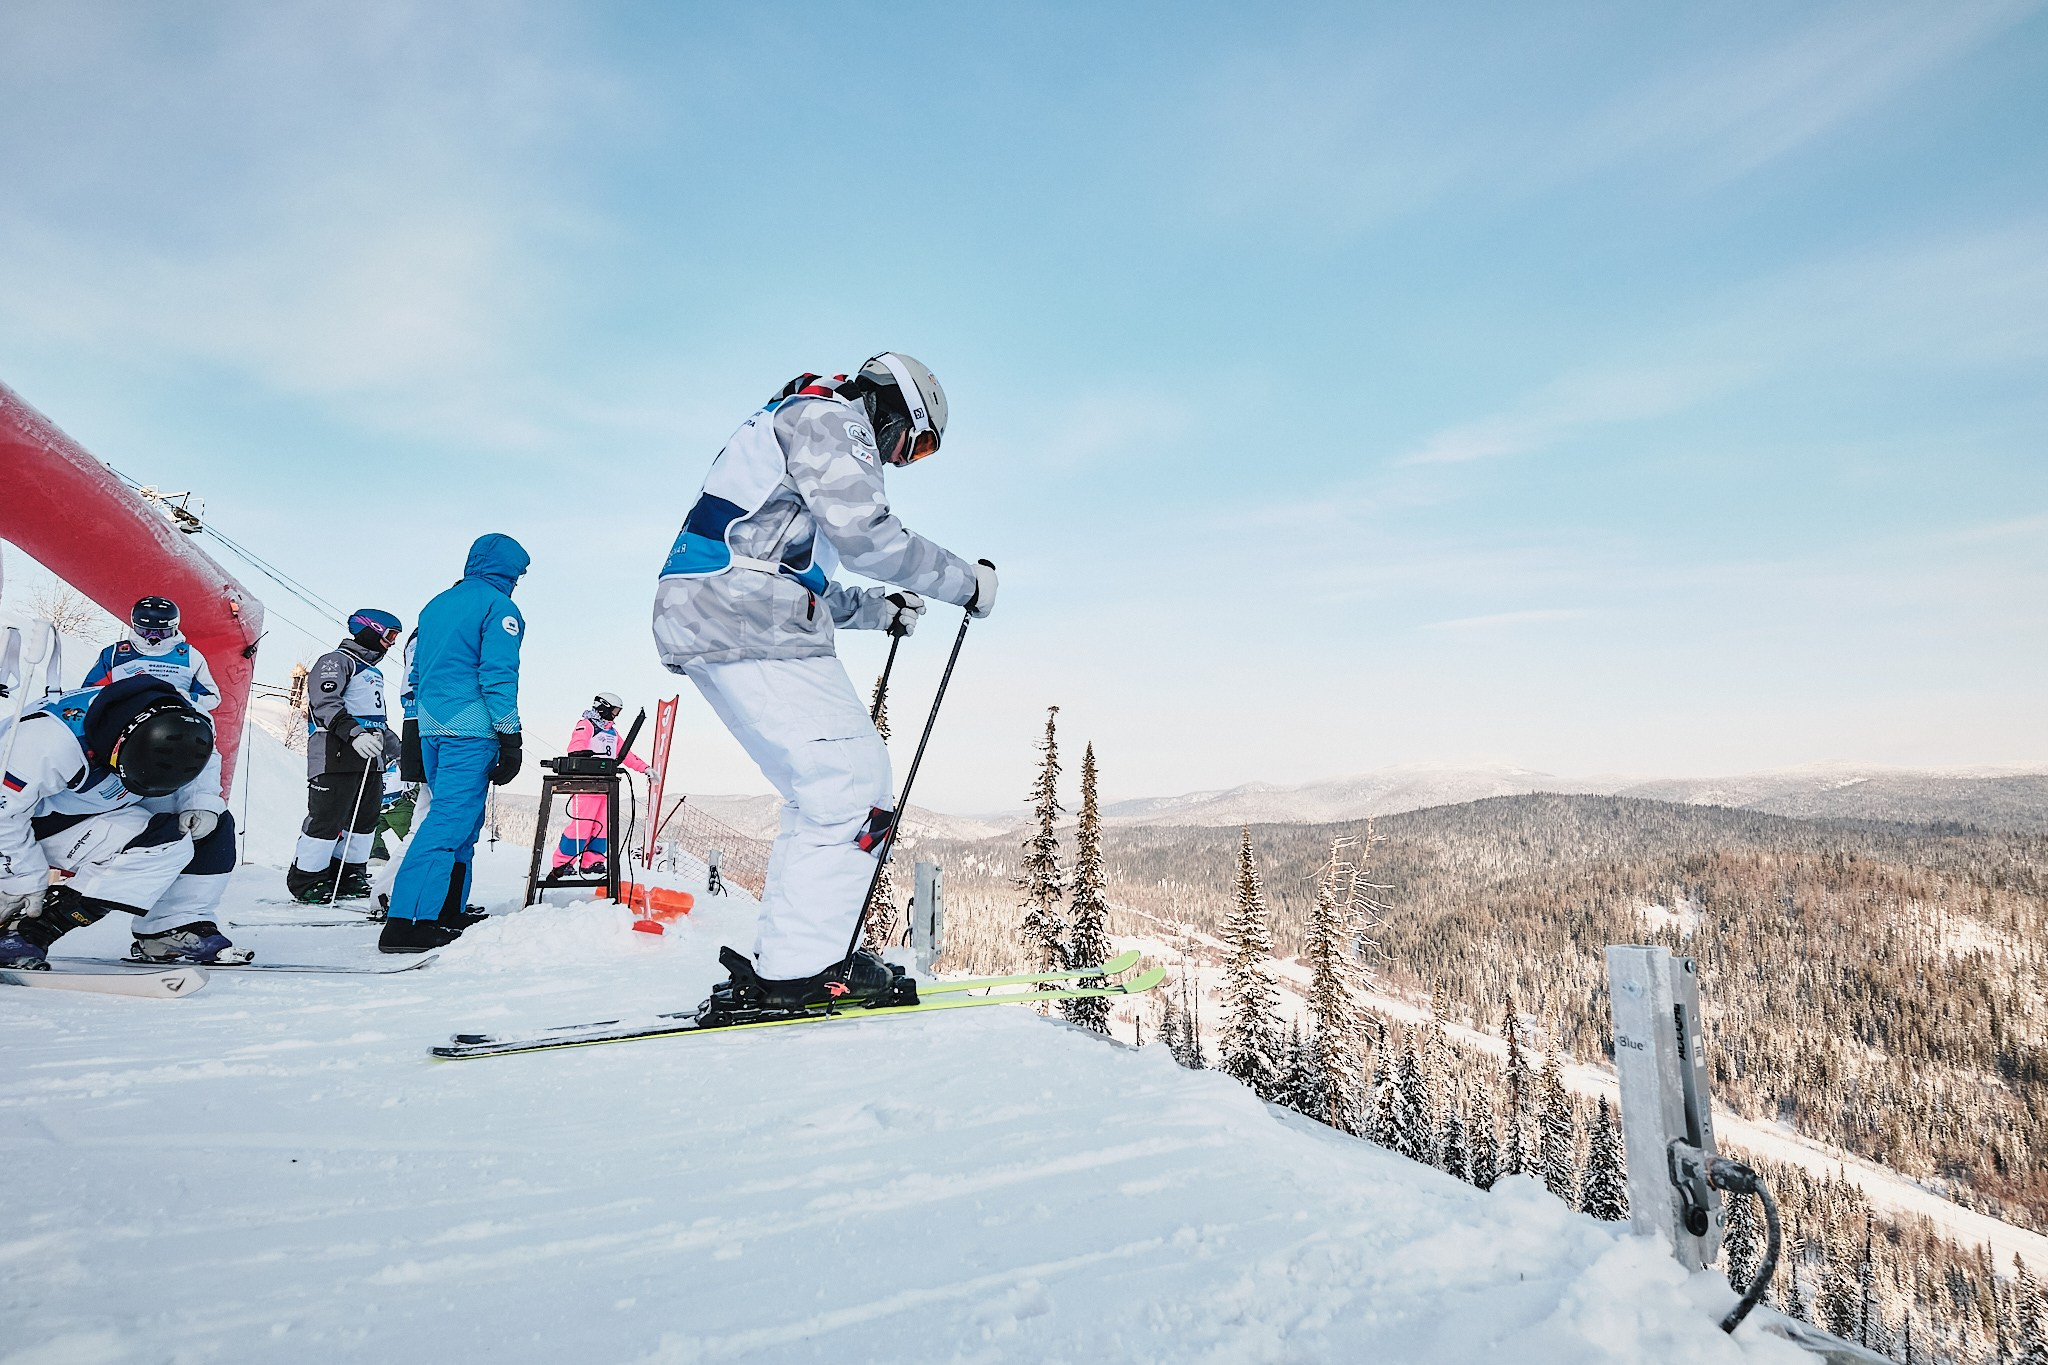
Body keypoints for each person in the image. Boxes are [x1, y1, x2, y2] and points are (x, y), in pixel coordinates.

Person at [651, 353, 994, 1013]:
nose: (899, 460)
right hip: (739, 614)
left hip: (720, 611)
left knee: (823, 793)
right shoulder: (835, 419)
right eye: (913, 444)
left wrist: (877, 609)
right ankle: (804, 969)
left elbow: (793, 576)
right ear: (894, 408)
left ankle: (796, 957)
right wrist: (968, 584)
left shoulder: (799, 422)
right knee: (852, 787)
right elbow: (869, 537)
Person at [0, 676, 248, 967]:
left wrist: (201, 802)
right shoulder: (45, 742)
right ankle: (27, 930)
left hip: (106, 797)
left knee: (212, 825)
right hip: (37, 819)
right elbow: (5, 814)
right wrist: (22, 879)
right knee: (161, 844)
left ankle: (173, 923)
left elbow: (205, 760)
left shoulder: (189, 720)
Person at [380, 534, 528, 953]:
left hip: (431, 727)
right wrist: (510, 733)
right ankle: (407, 922)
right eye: (519, 571)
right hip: (471, 728)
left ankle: (445, 909)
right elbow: (498, 674)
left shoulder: (435, 605)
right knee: (447, 822)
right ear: (509, 568)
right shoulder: (499, 607)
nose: (519, 580)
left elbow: (418, 672)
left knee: (462, 821)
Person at [285, 609, 402, 903]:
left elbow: (377, 721)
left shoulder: (373, 672)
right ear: (370, 629)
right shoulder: (337, 661)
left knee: (364, 820)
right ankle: (307, 879)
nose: (390, 644)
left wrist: (402, 754)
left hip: (370, 758)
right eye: (389, 635)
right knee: (328, 817)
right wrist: (354, 734)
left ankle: (348, 873)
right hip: (335, 753)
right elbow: (325, 704)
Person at [547, 691, 648, 879]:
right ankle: (563, 863)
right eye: (615, 711)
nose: (616, 715)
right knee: (582, 826)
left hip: (606, 785)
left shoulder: (612, 732)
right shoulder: (586, 725)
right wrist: (583, 756)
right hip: (587, 785)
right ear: (603, 707)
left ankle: (592, 861)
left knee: (602, 825)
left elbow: (625, 754)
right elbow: (575, 746)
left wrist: (645, 768)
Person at [83, 596, 220, 712]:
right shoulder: (114, 654)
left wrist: (188, 697)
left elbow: (212, 698)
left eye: (162, 632)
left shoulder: (190, 656)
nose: (153, 638)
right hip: (123, 721)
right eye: (145, 631)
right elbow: (89, 693)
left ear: (173, 628)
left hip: (174, 721)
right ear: (135, 627)